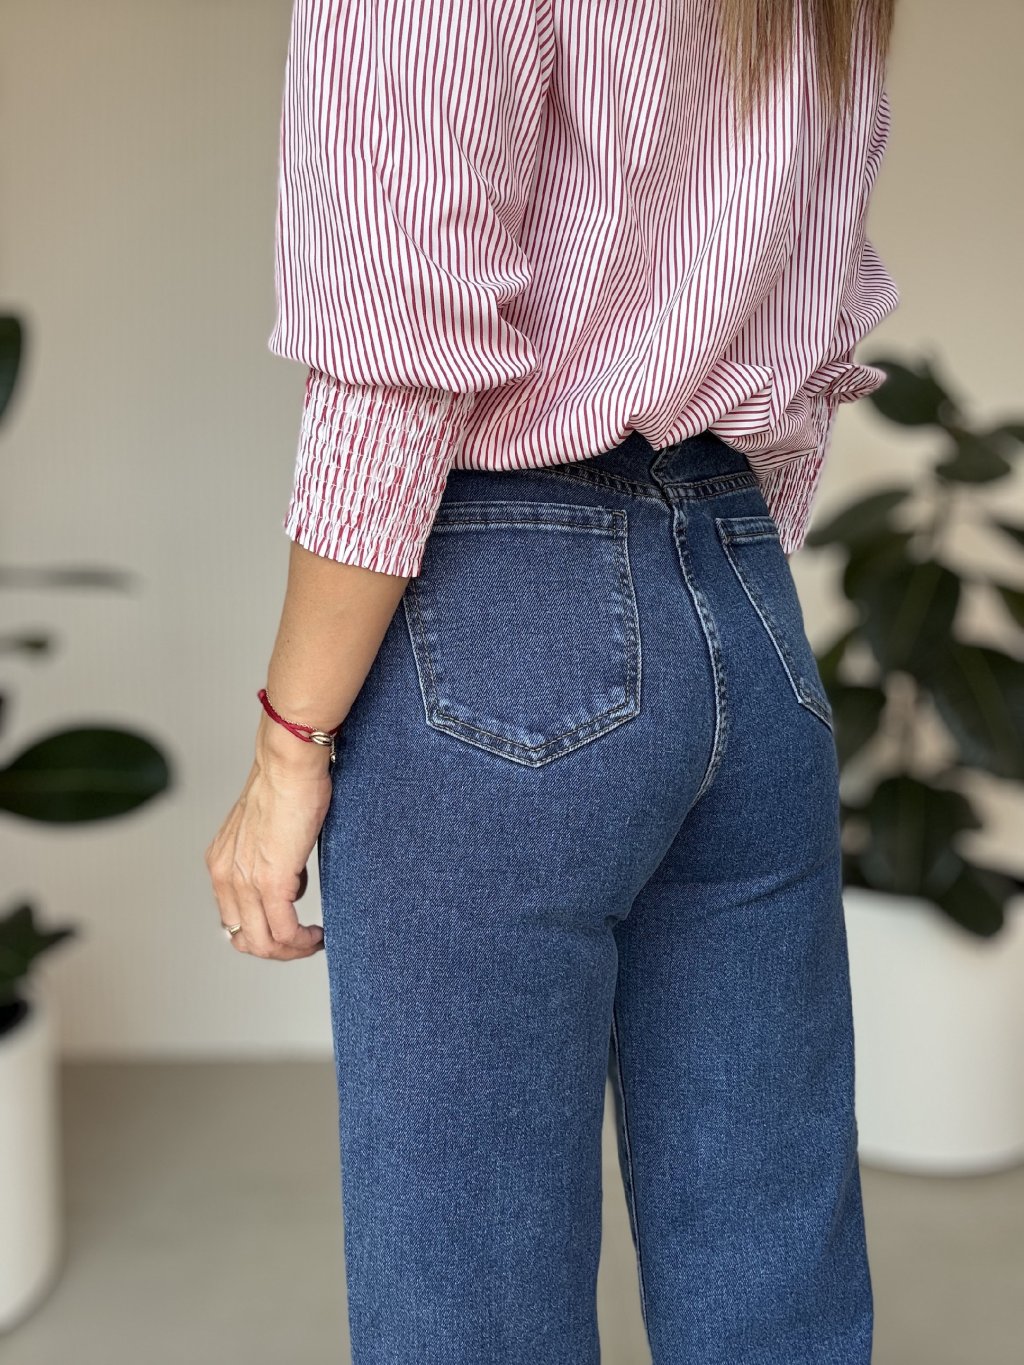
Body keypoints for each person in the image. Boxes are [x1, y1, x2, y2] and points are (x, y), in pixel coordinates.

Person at [206, 1, 899, 1360]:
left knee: (468, 1293)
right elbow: (816, 331)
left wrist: (291, 741)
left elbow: (399, 356)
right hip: (745, 596)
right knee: (775, 1273)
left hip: (499, 612)